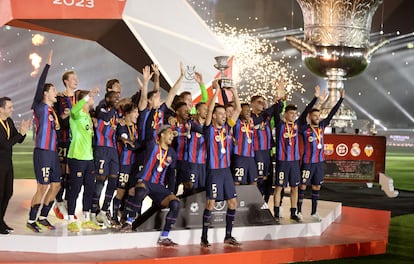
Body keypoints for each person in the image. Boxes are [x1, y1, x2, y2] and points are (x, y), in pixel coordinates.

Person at [121, 125, 180, 247]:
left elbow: (171, 175)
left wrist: (171, 192)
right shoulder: (152, 145)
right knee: (141, 190)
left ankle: (164, 236)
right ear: (162, 134)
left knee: (176, 203)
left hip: (159, 187)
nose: (172, 136)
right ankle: (129, 222)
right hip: (145, 182)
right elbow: (148, 129)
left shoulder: (172, 154)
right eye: (169, 133)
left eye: (173, 134)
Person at [200, 81, 241, 248]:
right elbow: (209, 110)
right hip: (214, 171)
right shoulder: (209, 129)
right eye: (221, 114)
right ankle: (204, 237)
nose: (224, 116)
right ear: (215, 115)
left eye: (225, 114)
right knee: (211, 203)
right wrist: (215, 91)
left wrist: (234, 91)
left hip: (225, 171)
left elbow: (237, 109)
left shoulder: (228, 128)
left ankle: (228, 235)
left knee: (233, 203)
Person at [273, 85, 320, 223]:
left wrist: (315, 98)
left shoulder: (298, 125)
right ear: (285, 114)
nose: (294, 116)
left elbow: (306, 111)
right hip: (282, 161)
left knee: (295, 188)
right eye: (291, 113)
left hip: (294, 162)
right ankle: (276, 212)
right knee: (279, 188)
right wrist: (279, 100)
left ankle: (293, 212)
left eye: (295, 114)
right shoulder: (280, 125)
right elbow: (276, 111)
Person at [27, 50, 62, 232]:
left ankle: (43, 216)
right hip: (42, 151)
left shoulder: (52, 112)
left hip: (53, 153)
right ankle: (31, 220)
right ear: (45, 94)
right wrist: (47, 66)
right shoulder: (39, 107)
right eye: (53, 90)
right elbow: (40, 85)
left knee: (56, 185)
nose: (56, 92)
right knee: (42, 186)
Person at [297, 89, 344, 221]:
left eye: (318, 116)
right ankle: (298, 211)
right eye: (314, 116)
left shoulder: (322, 126)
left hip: (318, 163)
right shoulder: (304, 128)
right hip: (307, 162)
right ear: (309, 117)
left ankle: (313, 213)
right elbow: (304, 114)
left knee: (317, 186)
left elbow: (332, 113)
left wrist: (341, 99)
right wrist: (315, 99)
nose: (317, 118)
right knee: (302, 186)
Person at [66, 87, 102, 232]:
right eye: (90, 98)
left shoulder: (87, 115)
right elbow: (74, 110)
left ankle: (86, 219)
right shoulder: (77, 114)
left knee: (90, 188)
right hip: (76, 157)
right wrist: (88, 96)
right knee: (75, 188)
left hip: (88, 159)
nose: (93, 99)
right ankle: (70, 219)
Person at [0, 97, 30, 234]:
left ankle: (1, 220)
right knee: (0, 194)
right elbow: (5, 144)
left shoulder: (9, 121)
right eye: (9, 107)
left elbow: (17, 140)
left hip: (7, 163)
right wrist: (19, 135)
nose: (12, 109)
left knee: (8, 192)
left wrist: (23, 132)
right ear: (1, 109)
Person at [90, 90, 120, 228]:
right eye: (114, 98)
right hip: (101, 148)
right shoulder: (100, 109)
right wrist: (114, 107)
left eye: (118, 98)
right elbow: (106, 117)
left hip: (113, 150)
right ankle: (93, 209)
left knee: (113, 180)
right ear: (107, 98)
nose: (116, 100)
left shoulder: (116, 112)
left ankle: (104, 210)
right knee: (100, 180)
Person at [53, 69, 78, 220]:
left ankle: (69, 203)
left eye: (77, 78)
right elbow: (57, 120)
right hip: (63, 140)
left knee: (72, 175)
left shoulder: (78, 97)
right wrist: (64, 115)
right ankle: (58, 202)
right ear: (66, 82)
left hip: (77, 143)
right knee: (63, 174)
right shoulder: (59, 98)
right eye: (73, 79)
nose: (76, 80)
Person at [231, 103, 257, 185]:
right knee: (237, 182)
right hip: (240, 156)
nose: (248, 112)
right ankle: (237, 198)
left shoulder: (252, 123)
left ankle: (252, 198)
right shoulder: (237, 123)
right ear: (240, 112)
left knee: (254, 181)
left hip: (251, 156)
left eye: (249, 111)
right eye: (246, 111)